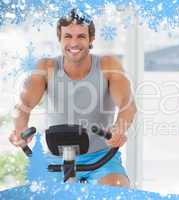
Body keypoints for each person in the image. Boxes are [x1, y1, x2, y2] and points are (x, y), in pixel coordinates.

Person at [9, 8, 136, 187]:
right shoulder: (46, 67)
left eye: (81, 36)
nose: (74, 43)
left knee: (116, 190)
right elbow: (24, 103)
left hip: (101, 158)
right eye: (68, 36)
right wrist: (20, 128)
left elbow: (127, 104)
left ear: (91, 39)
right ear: (59, 39)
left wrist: (119, 128)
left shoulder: (108, 65)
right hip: (56, 159)